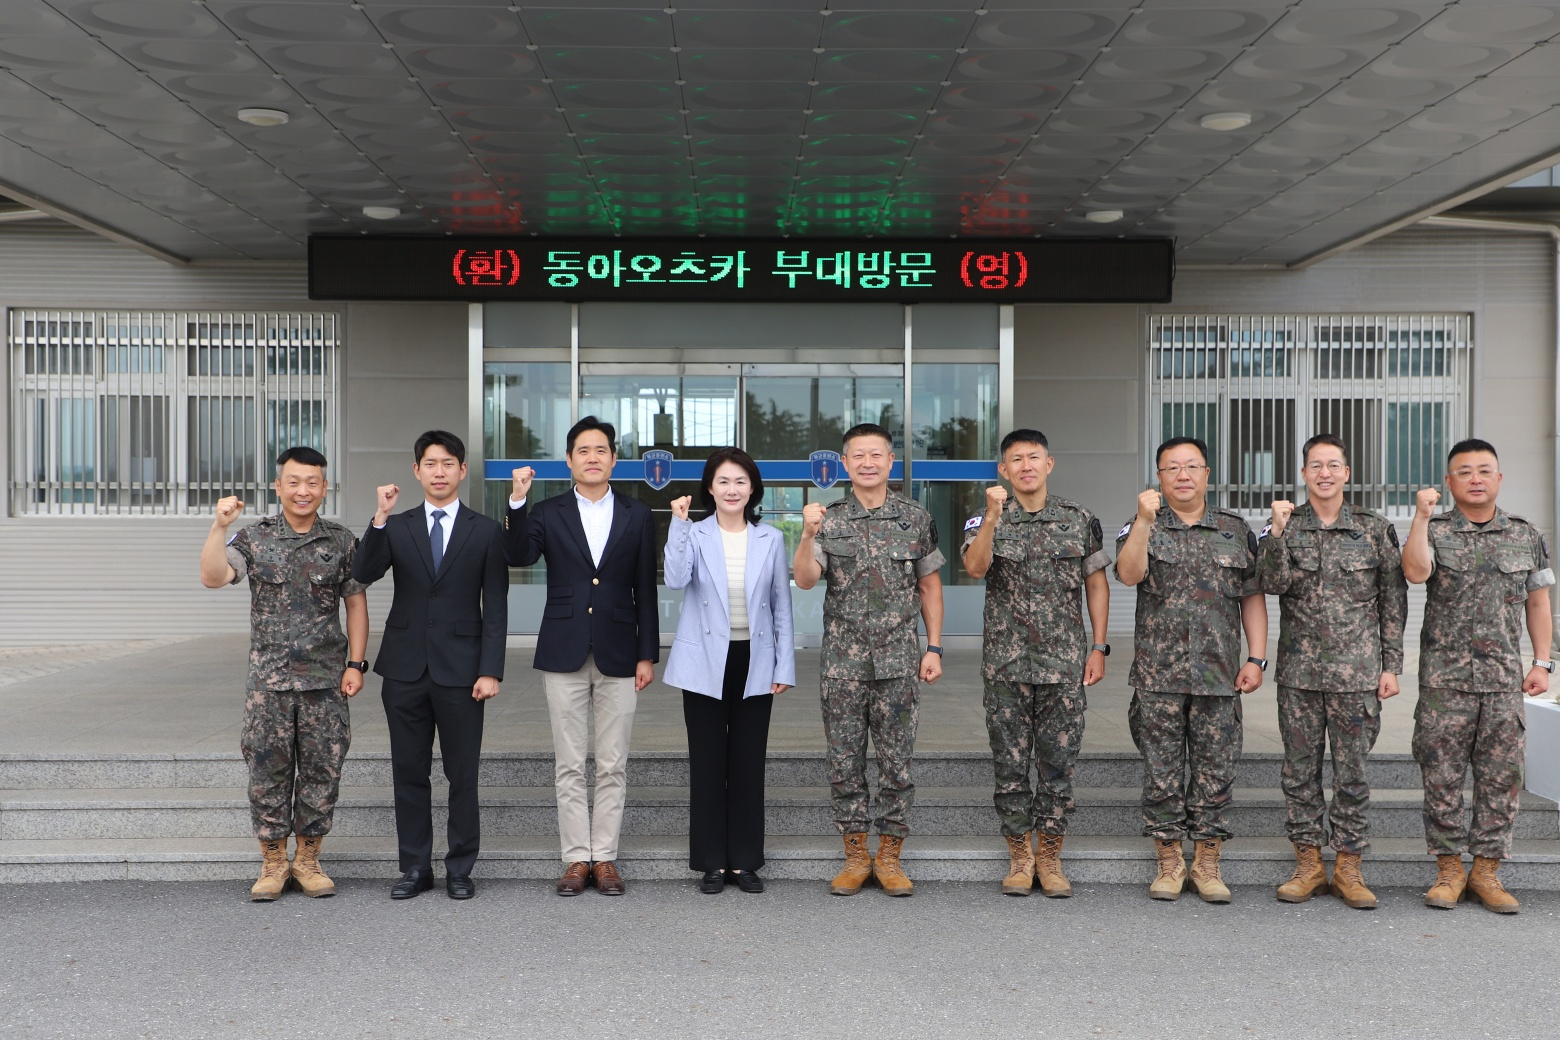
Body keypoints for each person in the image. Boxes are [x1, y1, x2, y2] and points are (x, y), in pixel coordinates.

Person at [200, 446, 368, 902]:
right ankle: (273, 862)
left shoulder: (340, 541)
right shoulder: (254, 538)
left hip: (325, 681)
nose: (303, 490)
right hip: (269, 684)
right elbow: (214, 577)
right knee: (267, 772)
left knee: (322, 770)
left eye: (312, 482)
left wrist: (356, 663)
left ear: (324, 487)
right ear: (279, 487)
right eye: (293, 481)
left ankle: (308, 859)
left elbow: (355, 603)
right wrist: (220, 527)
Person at [351, 430, 509, 901]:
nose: (439, 472)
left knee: (463, 774)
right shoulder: (396, 526)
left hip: (463, 672)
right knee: (409, 772)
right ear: (416, 470)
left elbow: (495, 605)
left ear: (462, 470)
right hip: (404, 669)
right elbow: (363, 570)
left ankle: (460, 868)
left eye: (448, 463)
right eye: (430, 464)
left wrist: (491, 669)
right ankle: (415, 867)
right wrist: (378, 517)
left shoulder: (484, 531)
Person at [506, 416, 659, 897]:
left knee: (613, 762)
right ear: (569, 461)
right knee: (570, 763)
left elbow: (645, 590)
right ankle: (576, 859)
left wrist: (647, 654)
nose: (593, 458)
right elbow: (518, 556)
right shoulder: (547, 512)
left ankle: (605, 858)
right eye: (583, 451)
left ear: (614, 459)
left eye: (601, 450)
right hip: (563, 649)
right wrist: (516, 501)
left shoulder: (637, 514)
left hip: (620, 649)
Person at [1402, 438, 1553, 913]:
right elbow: (1414, 572)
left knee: (1500, 779)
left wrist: (1543, 661)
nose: (1475, 479)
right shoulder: (1436, 529)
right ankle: (1448, 870)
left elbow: (1538, 601)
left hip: (1504, 680)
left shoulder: (1525, 535)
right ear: (1450, 482)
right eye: (1463, 472)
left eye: (1484, 470)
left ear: (1499, 478)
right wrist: (1422, 518)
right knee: (1441, 777)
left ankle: (1487, 872)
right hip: (1444, 681)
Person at [793, 422, 945, 897]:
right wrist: (806, 534)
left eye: (876, 454)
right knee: (844, 761)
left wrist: (934, 647)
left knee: (897, 761)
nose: (867, 463)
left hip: (899, 661)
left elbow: (929, 586)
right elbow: (804, 579)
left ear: (890, 461)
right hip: (843, 663)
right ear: (844, 464)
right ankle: (856, 855)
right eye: (857, 455)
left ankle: (891, 857)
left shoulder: (915, 518)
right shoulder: (829, 518)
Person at [1257, 433, 1407, 909]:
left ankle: (1348, 867)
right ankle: (1307, 864)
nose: (1324, 473)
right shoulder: (1283, 525)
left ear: (1346, 473)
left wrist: (1392, 666)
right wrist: (1277, 534)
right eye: (1315, 465)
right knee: (1299, 772)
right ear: (1303, 474)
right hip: (1299, 675)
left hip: (1357, 676)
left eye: (1333, 465)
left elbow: (1393, 601)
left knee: (1353, 774)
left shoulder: (1373, 529)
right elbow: (1271, 583)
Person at [1115, 436, 1267, 903]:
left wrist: (1256, 658)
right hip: (1158, 678)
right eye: (1172, 468)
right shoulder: (1141, 525)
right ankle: (1168, 860)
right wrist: (1143, 521)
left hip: (1219, 677)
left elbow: (1252, 597)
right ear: (1159, 477)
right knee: (1161, 771)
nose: (1183, 475)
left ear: (1206, 474)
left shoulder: (1235, 530)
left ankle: (1207, 861)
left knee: (1215, 772)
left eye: (1191, 466)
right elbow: (1128, 574)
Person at [962, 429, 1110, 898]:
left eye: (1033, 457)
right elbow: (976, 568)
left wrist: (1099, 646)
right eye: (1015, 460)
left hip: (1063, 665)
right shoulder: (981, 520)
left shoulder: (1079, 519)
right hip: (1005, 667)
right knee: (1009, 765)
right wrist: (991, 516)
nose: (1025, 466)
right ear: (1003, 471)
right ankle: (1019, 857)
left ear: (1049, 463)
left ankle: (1049, 855)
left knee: (1058, 765)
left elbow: (1096, 585)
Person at [663, 447, 796, 894]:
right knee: (707, 762)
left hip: (752, 659)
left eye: (740, 481)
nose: (732, 489)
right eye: (723, 481)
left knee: (747, 762)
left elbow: (781, 607)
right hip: (703, 660)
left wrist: (784, 664)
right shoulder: (693, 533)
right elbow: (676, 579)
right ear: (709, 488)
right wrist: (678, 524)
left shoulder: (771, 538)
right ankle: (711, 862)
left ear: (753, 488)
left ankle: (744, 861)